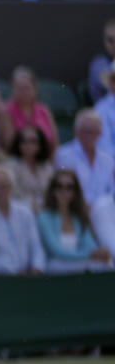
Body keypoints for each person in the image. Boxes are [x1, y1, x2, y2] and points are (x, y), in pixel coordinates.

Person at [55, 109, 115, 255]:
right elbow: (63, 187)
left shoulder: (107, 159)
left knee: (103, 206)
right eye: (84, 131)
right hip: (76, 210)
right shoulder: (63, 154)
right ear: (76, 131)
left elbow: (111, 192)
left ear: (100, 133)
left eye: (92, 131)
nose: (88, 135)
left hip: (105, 212)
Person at [0, 163, 45, 276]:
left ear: (11, 187)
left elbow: (36, 247)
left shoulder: (25, 213)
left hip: (30, 276)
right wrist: (16, 271)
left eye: (2, 187)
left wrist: (36, 268)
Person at [38, 168, 113, 274]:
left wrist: (100, 253)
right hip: (55, 264)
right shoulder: (44, 218)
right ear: (53, 190)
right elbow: (56, 251)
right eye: (59, 186)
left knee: (106, 263)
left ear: (74, 192)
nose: (64, 191)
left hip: (77, 263)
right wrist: (89, 255)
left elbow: (90, 245)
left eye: (69, 187)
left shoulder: (78, 218)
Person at [1, 66, 58, 151]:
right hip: (16, 162)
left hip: (45, 161)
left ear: (34, 89)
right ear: (13, 90)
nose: (23, 92)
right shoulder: (5, 111)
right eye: (19, 88)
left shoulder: (44, 110)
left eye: (26, 88)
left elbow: (54, 143)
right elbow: (9, 145)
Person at [6, 125, 53, 212]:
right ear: (18, 144)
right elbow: (14, 195)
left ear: (40, 145)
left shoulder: (47, 167)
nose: (28, 145)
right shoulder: (10, 166)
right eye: (24, 141)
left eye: (33, 141)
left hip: (45, 213)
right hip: (20, 213)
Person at [88, 18, 115, 104]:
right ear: (105, 41)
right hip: (103, 114)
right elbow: (109, 83)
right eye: (110, 40)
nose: (114, 44)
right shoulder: (98, 64)